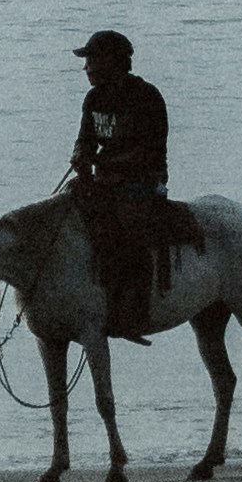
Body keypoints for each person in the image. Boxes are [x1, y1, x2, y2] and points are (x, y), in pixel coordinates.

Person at [65, 27, 180, 341]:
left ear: (113, 62)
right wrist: (80, 157)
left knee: (128, 230)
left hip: (144, 180)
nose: (86, 68)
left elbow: (148, 151)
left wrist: (105, 166)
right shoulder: (94, 98)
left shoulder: (146, 97)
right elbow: (84, 139)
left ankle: (136, 312)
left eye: (92, 60)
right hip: (106, 180)